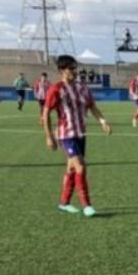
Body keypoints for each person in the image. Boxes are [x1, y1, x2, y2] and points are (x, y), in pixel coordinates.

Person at [42, 54, 112, 218]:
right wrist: (49, 136)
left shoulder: (83, 88)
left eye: (75, 68)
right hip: (65, 135)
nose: (74, 71)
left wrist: (103, 121)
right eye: (70, 68)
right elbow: (46, 113)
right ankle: (87, 205)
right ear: (61, 70)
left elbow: (92, 107)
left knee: (72, 168)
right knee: (81, 166)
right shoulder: (56, 89)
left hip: (81, 134)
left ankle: (64, 203)